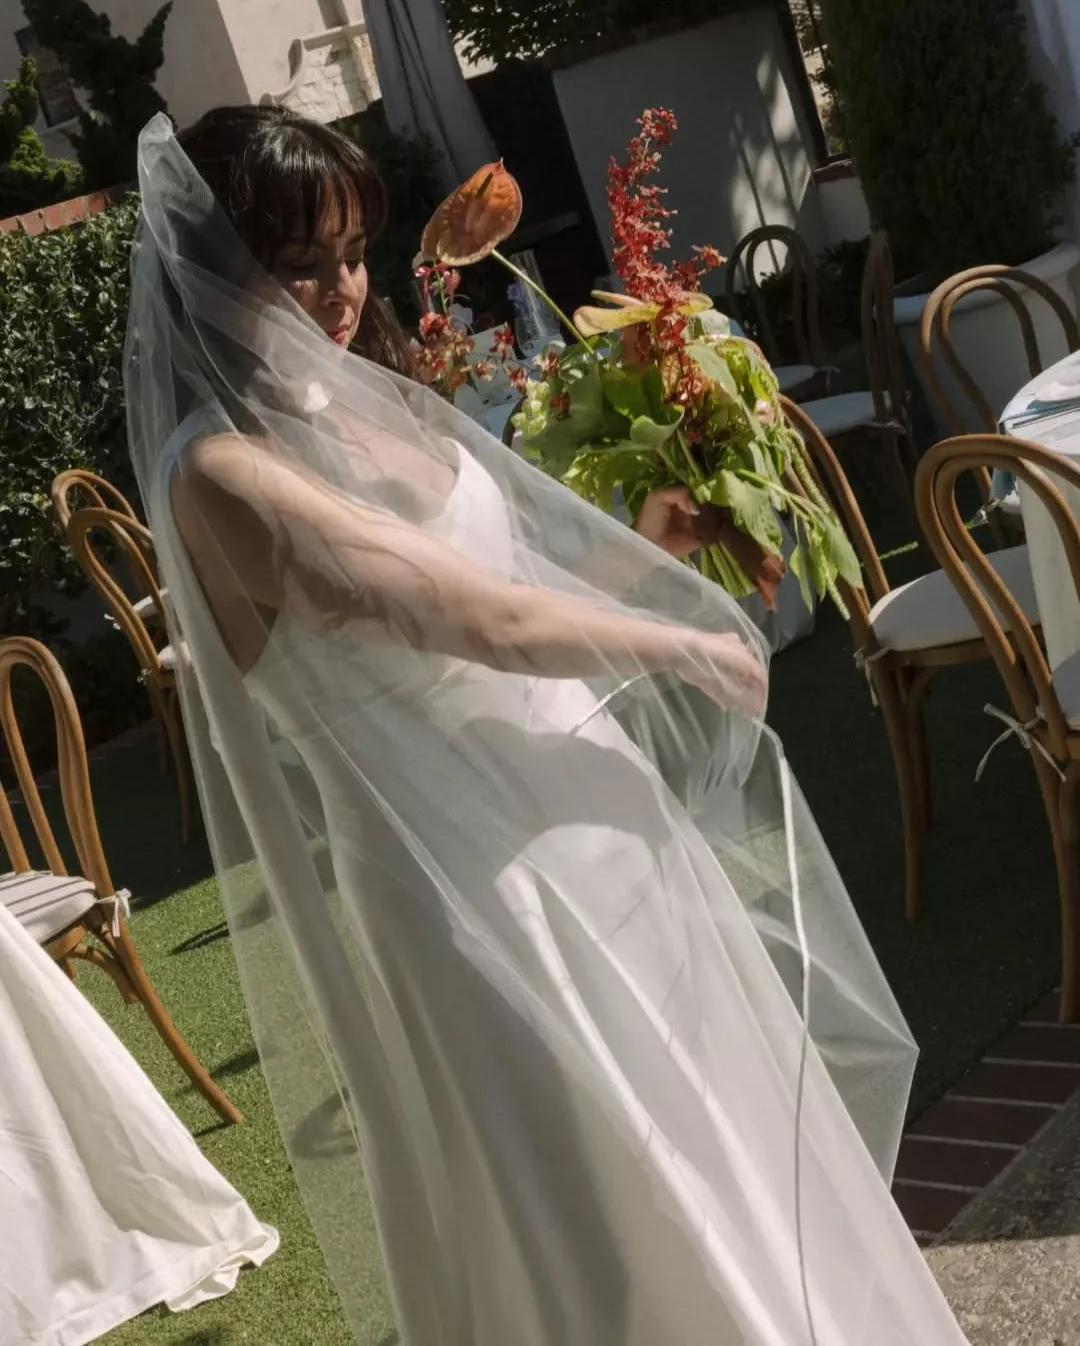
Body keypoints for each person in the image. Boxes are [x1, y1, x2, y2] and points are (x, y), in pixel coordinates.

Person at [125, 105, 967, 1344]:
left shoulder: (363, 401)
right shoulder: (219, 475)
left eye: (353, 250)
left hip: (598, 826)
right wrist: (682, 642)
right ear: (215, 264)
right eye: (300, 261)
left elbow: (513, 573)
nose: (341, 287)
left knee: (716, 1151)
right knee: (605, 1227)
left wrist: (646, 557)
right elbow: (475, 624)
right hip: (470, 890)